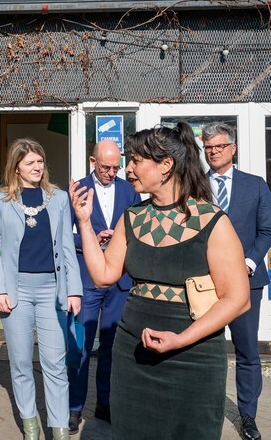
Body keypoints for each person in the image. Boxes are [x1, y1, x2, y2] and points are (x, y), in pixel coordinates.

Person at [70, 122, 250, 439]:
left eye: (136, 161)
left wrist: (180, 339)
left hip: (193, 359)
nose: (127, 169)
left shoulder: (212, 220)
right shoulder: (132, 217)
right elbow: (103, 276)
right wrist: (84, 222)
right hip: (132, 356)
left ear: (166, 165)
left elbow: (238, 299)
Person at [0, 138, 82, 440]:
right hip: (16, 292)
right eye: (30, 163)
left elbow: (67, 247)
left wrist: (74, 290)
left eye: (40, 161)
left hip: (53, 290)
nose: (37, 167)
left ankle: (60, 431)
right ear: (16, 167)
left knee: (55, 363)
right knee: (21, 363)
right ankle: (30, 429)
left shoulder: (59, 198)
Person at [201, 122, 271, 440]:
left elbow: (266, 231)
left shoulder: (256, 186)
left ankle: (248, 417)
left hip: (247, 282)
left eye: (219, 146)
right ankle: (205, 412)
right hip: (206, 283)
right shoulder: (195, 186)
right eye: (208, 147)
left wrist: (248, 263)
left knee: (247, 352)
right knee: (206, 352)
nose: (213, 152)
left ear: (233, 148)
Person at [67, 140, 141, 434]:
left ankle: (105, 403)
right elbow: (62, 235)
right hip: (87, 279)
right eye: (106, 167)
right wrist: (89, 238)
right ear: (92, 161)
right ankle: (74, 408)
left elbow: (138, 231)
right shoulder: (76, 190)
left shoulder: (130, 191)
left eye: (115, 168)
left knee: (111, 345)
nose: (112, 173)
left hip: (120, 280)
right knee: (81, 346)